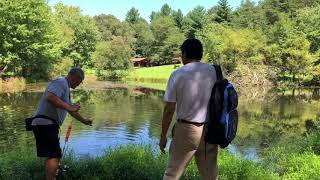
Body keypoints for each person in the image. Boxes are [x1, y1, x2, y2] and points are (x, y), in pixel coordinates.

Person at [159, 38, 218, 180]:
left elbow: (169, 109)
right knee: (210, 175)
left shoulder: (178, 74)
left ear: (184, 54)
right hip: (209, 130)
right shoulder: (214, 71)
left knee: (172, 174)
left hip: (186, 130)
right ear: (201, 54)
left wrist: (163, 136)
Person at [31, 67, 93, 180]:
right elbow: (50, 97)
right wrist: (69, 106)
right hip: (45, 123)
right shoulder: (61, 82)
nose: (78, 85)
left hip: (45, 124)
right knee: (55, 155)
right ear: (75, 78)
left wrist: (85, 121)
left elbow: (71, 111)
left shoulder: (65, 88)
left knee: (51, 155)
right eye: (79, 82)